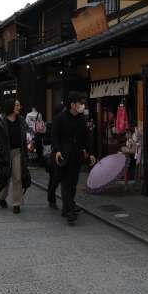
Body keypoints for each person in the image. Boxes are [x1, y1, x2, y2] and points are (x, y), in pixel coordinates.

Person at [51, 92, 95, 223]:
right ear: (72, 105)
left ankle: (67, 208)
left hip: (76, 154)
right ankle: (69, 211)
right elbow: (54, 135)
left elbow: (86, 137)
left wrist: (90, 152)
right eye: (79, 103)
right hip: (64, 154)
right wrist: (57, 150)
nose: (82, 105)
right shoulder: (60, 118)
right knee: (66, 182)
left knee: (73, 182)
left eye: (82, 103)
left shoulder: (82, 119)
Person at [0, 98, 29, 214]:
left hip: (18, 152)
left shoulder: (21, 120)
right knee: (5, 176)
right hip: (4, 153)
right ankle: (1, 197)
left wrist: (29, 139)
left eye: (19, 105)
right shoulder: (1, 120)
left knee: (17, 177)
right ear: (10, 106)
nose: (19, 107)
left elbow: (27, 132)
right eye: (16, 105)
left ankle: (16, 203)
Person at [46, 103, 64, 210]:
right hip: (55, 155)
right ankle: (51, 199)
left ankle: (67, 202)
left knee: (64, 180)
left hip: (65, 154)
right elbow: (48, 140)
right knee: (54, 180)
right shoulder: (52, 125)